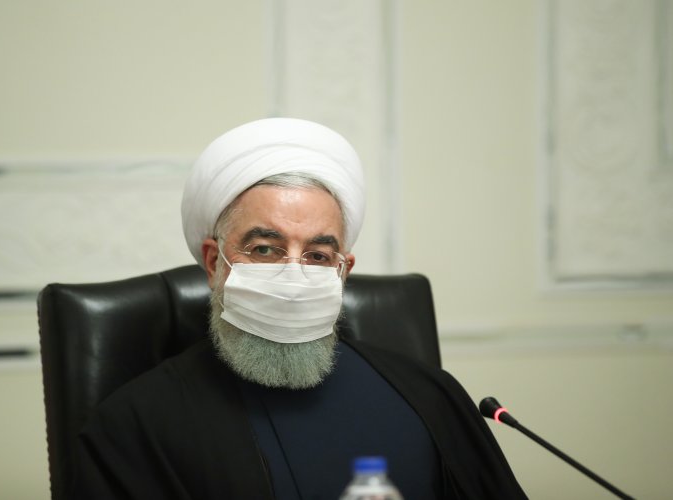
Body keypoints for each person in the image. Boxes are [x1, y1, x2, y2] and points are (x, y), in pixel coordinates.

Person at [72, 118, 527, 499]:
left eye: (318, 256)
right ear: (214, 262)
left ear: (343, 271)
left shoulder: (429, 396)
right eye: (265, 250)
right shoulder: (135, 426)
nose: (293, 275)